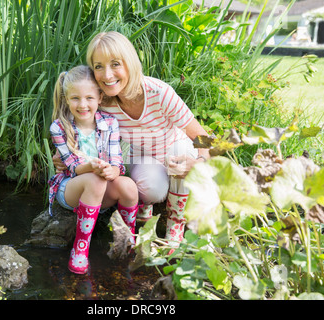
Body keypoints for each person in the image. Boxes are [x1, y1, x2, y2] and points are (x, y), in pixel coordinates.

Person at [54, 31, 210, 250]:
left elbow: (204, 137)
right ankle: (147, 206)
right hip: (143, 156)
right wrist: (65, 155)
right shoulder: (103, 100)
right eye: (98, 66)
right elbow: (81, 131)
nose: (107, 75)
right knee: (150, 189)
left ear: (130, 63)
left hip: (175, 147)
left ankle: (176, 225)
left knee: (179, 160)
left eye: (115, 64)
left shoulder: (159, 93)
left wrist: (199, 162)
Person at [48, 65, 139, 274]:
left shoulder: (110, 123)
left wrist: (114, 171)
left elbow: (116, 159)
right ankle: (81, 248)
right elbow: (72, 167)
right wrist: (92, 167)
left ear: (99, 97)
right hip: (70, 190)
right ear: (66, 98)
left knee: (129, 186)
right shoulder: (59, 127)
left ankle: (126, 240)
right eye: (75, 98)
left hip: (101, 188)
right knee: (95, 180)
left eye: (89, 98)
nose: (82, 105)